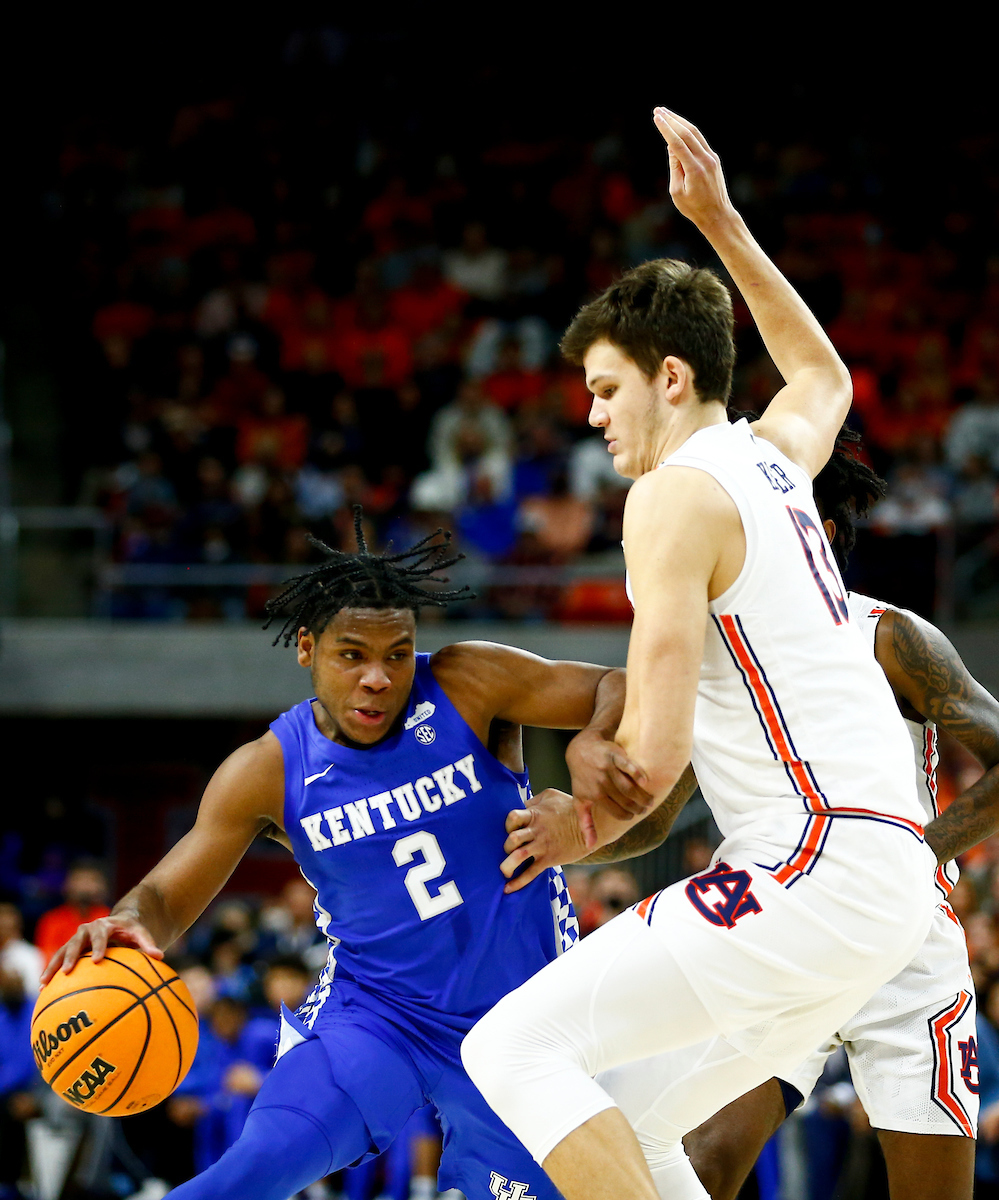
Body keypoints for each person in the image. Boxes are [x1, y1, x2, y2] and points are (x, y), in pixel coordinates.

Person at [459, 108, 937, 1200]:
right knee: (633, 1129)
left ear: (672, 378)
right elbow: (823, 374)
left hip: (809, 868)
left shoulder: (672, 498)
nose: (592, 416)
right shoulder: (773, 458)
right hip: (887, 884)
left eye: (606, 389)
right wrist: (720, 221)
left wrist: (566, 828)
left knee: (511, 1053)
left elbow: (654, 759)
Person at [42, 512, 656, 1200]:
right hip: (379, 1018)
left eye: (396, 653)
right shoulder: (269, 770)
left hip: (525, 1025)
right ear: (306, 648)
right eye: (352, 654)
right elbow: (162, 897)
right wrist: (130, 921)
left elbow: (621, 684)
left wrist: (590, 746)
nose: (377, 678)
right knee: (250, 1171)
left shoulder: (467, 683)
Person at [588, 432, 999, 1200]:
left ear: (819, 534)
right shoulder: (704, 653)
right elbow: (652, 815)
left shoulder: (889, 635)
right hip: (777, 926)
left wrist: (920, 851)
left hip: (902, 935)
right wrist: (565, 829)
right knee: (699, 1160)